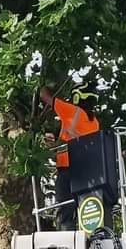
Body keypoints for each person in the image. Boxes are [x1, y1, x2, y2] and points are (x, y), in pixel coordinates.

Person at [38, 83, 100, 223]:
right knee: (84, 210)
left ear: (77, 97)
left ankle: (65, 239)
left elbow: (45, 96)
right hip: (86, 172)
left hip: (67, 170)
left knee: (65, 210)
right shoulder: (95, 122)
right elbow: (72, 140)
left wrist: (43, 83)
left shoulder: (72, 111)